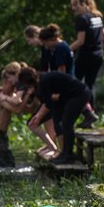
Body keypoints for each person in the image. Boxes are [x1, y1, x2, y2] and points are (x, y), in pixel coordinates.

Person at [17, 66, 90, 165]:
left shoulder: (44, 80)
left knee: (66, 123)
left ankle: (69, 155)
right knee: (57, 120)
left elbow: (48, 104)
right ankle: (63, 153)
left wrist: (38, 117)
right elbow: (47, 101)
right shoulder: (41, 80)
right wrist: (37, 115)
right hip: (66, 96)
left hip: (79, 94)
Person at [68, 0, 104, 128]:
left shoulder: (82, 19)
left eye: (76, 5)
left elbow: (80, 41)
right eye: (72, 5)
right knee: (89, 85)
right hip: (98, 55)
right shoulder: (97, 17)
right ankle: (91, 116)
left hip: (86, 56)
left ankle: (87, 114)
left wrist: (66, 50)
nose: (73, 8)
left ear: (84, 4)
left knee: (74, 84)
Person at [0, 62, 35, 167]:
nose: (15, 87)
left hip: (3, 135)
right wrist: (27, 95)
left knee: (8, 164)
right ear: (5, 81)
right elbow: (17, 110)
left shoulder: (11, 97)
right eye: (12, 84)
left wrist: (33, 96)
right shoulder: (1, 97)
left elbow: (28, 109)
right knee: (7, 165)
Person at [23, 25, 58, 157]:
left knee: (49, 117)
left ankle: (54, 147)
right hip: (47, 83)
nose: (29, 44)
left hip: (51, 83)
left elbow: (50, 66)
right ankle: (51, 145)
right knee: (48, 118)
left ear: (34, 36)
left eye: (29, 40)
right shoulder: (44, 49)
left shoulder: (47, 47)